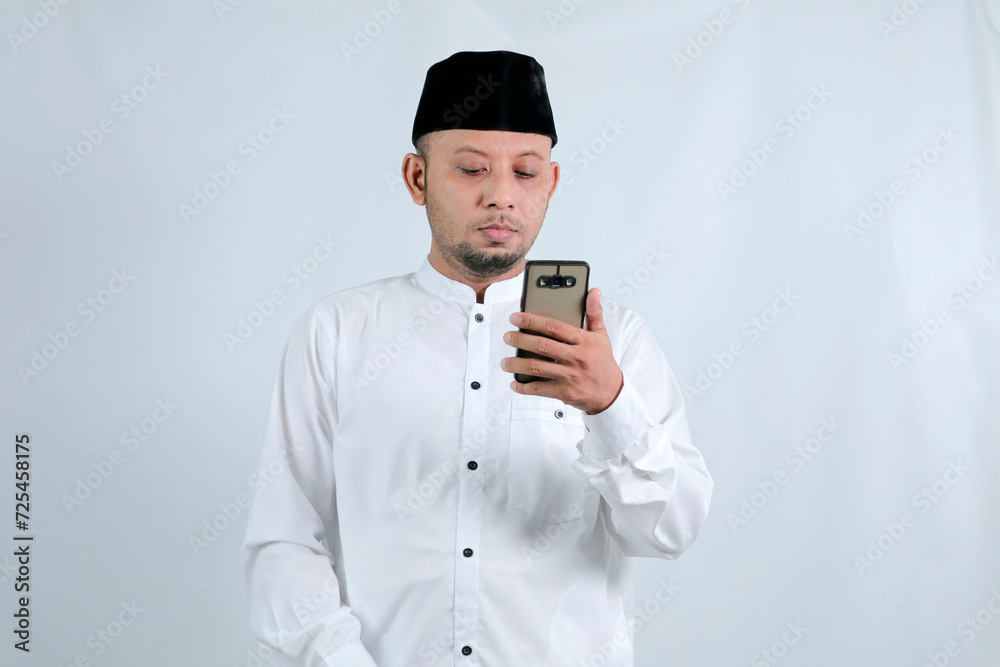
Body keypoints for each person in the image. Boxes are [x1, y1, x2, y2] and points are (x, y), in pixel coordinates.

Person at [241, 49, 712, 667]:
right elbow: (284, 542)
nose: (501, 196)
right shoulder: (337, 334)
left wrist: (610, 405)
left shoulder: (615, 342)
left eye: (526, 172)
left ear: (552, 182)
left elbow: (670, 531)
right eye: (470, 169)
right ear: (417, 178)